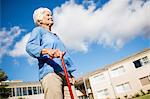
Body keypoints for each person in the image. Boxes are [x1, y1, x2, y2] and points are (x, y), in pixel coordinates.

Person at [26, 7, 77, 99]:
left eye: (51, 15)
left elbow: (65, 56)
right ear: (39, 19)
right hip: (51, 72)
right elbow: (30, 47)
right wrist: (47, 51)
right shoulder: (38, 31)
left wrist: (70, 74)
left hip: (65, 74)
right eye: (47, 15)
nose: (51, 16)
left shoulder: (55, 36)